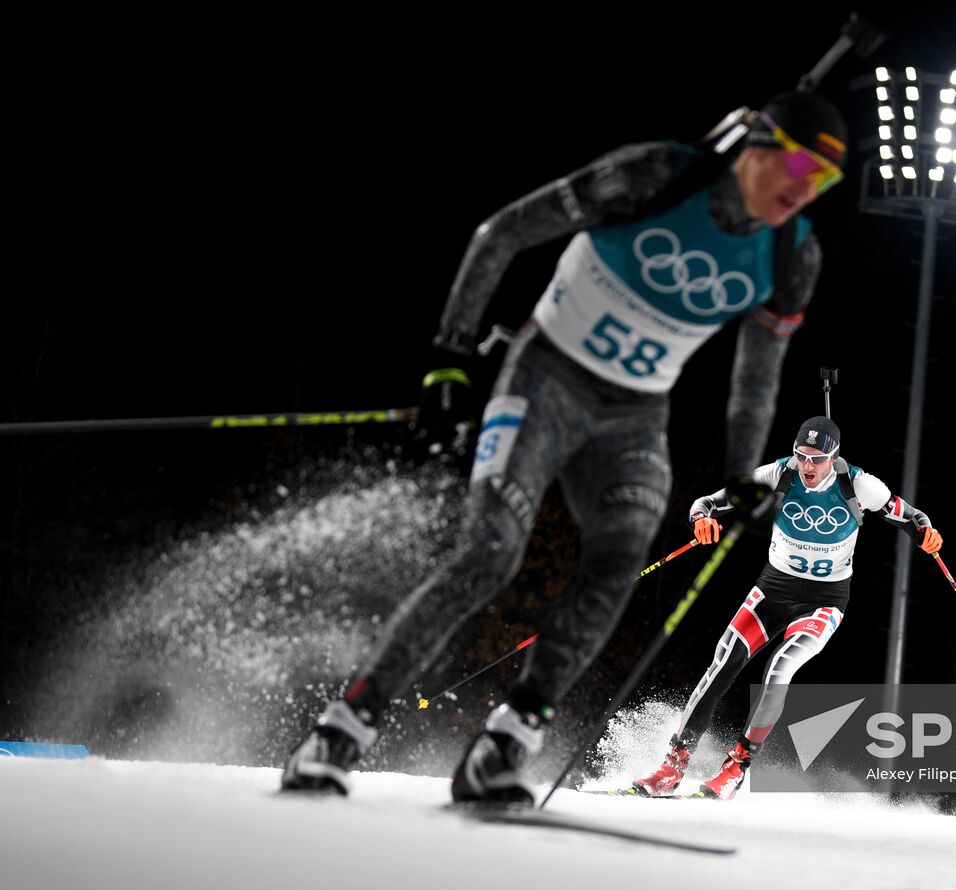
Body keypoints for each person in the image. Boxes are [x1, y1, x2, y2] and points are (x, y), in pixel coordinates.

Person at [281, 91, 850, 803]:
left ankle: (505, 745)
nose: (804, 188)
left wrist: (740, 476)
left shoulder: (793, 252)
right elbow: (502, 232)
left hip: (634, 415)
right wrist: (450, 359)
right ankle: (339, 732)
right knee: (491, 552)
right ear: (756, 145)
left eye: (823, 181)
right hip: (547, 378)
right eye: (799, 164)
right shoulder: (655, 175)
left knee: (616, 564)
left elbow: (756, 375)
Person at [632, 415, 942, 799]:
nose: (808, 466)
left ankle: (735, 769)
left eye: (817, 458)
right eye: (801, 456)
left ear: (834, 456)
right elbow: (708, 501)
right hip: (773, 590)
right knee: (723, 660)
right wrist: (701, 518)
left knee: (780, 669)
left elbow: (911, 516)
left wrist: (926, 532)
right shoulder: (777, 475)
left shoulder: (859, 485)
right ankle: (672, 766)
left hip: (824, 602)